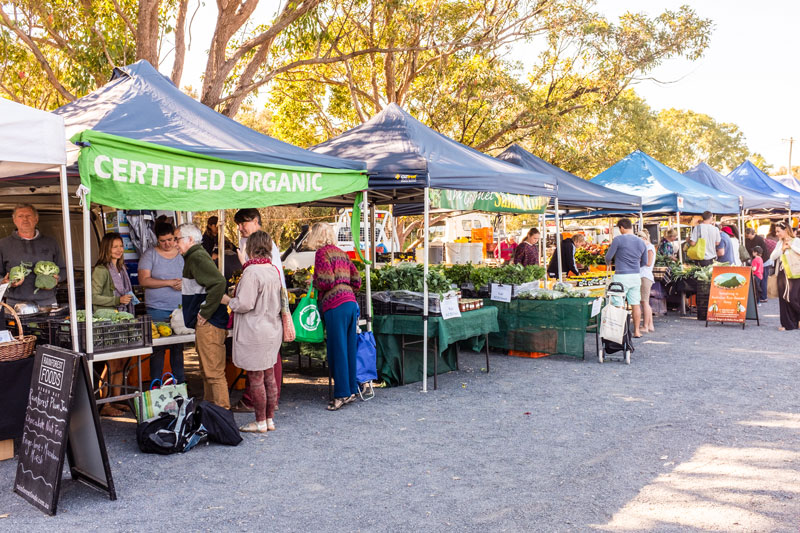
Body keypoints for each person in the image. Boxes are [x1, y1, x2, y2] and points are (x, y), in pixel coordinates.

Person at [220, 231, 282, 433]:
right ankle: (270, 420)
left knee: (255, 378)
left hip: (255, 331)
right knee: (269, 377)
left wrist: (228, 300)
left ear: (251, 248)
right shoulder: (272, 269)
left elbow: (245, 304)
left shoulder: (252, 272)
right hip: (272, 328)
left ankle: (260, 421)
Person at [231, 208, 285, 413]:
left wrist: (230, 301)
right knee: (269, 364)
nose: (239, 228)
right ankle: (269, 408)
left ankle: (258, 411)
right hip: (270, 307)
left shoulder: (261, 245)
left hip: (262, 311)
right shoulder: (257, 243)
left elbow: (247, 299)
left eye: (243, 223)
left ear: (255, 221)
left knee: (261, 366)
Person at [175, 223, 230, 409]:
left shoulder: (197, 256)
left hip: (211, 323)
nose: (175, 243)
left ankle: (222, 416)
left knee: (213, 373)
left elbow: (218, 282)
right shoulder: (194, 256)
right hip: (209, 323)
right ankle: (212, 414)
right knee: (208, 372)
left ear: (190, 240)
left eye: (177, 239)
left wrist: (205, 311)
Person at [308, 222, 362, 411]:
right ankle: (351, 389)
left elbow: (326, 281)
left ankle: (341, 394)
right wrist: (345, 287)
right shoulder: (342, 253)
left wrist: (313, 280)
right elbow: (357, 280)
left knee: (337, 350)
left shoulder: (322, 253)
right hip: (349, 302)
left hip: (335, 305)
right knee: (348, 348)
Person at [92, 233, 134, 417]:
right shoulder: (101, 270)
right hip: (108, 321)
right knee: (112, 363)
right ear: (106, 249)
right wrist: (117, 299)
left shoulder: (121, 267)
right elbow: (93, 297)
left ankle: (116, 400)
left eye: (120, 246)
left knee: (122, 362)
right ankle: (106, 404)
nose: (118, 249)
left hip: (123, 318)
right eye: (114, 246)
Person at [138, 222, 185, 384]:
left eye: (171, 239)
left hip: (179, 309)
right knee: (157, 350)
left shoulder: (182, 253)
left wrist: (184, 284)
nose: (168, 244)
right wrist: (169, 282)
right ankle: (156, 385)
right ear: (157, 239)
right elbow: (144, 280)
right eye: (163, 241)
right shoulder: (150, 255)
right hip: (157, 309)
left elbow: (194, 277)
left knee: (178, 349)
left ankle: (180, 385)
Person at [0, 204, 65, 307]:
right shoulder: (3, 244)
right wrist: (5, 282)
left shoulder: (50, 242)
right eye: (20, 216)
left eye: (29, 215)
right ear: (14, 220)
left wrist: (57, 279)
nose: (25, 219)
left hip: (47, 302)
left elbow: (63, 268)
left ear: (36, 219)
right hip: (15, 304)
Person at [605, 219, 647, 338]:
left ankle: (620, 332)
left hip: (620, 276)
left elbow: (608, 257)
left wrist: (608, 262)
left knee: (619, 304)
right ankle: (637, 331)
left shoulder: (618, 239)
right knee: (635, 304)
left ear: (622, 228)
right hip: (635, 276)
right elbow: (645, 262)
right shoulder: (641, 242)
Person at [769, 221, 800, 331]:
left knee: (792, 298)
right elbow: (772, 257)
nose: (777, 234)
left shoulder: (796, 241)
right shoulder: (779, 243)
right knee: (783, 299)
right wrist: (781, 249)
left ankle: (796, 321)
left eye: (778, 231)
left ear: (786, 230)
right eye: (776, 231)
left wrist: (790, 246)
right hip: (782, 272)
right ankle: (788, 325)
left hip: (795, 273)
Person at [638, 229, 656, 333]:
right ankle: (650, 325)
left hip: (645, 276)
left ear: (644, 238)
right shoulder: (647, 247)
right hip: (644, 276)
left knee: (644, 302)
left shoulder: (649, 247)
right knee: (644, 301)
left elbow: (648, 263)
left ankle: (645, 326)